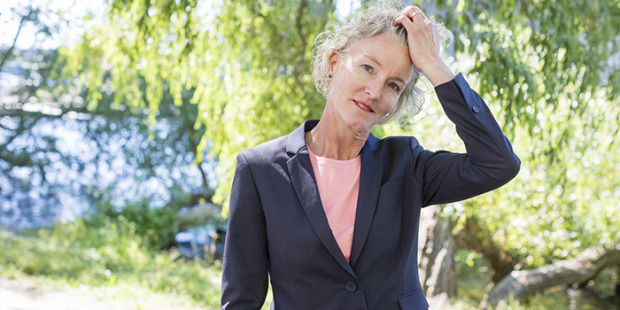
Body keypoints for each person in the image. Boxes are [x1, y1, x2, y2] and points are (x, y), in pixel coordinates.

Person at [221, 3, 520, 310]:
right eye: (368, 68)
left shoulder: (407, 164)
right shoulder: (260, 170)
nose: (375, 91)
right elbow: (241, 300)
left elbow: (497, 163)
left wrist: (435, 66)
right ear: (334, 62)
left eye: (393, 85)